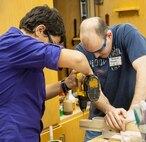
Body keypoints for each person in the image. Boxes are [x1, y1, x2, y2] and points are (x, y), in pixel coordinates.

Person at [0, 5, 94, 142]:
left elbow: (35, 93)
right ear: (40, 30)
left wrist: (66, 84)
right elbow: (78, 59)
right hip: (12, 135)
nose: (51, 49)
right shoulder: (15, 43)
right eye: (52, 44)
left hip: (24, 133)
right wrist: (91, 79)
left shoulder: (23, 54)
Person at [76, 17, 146, 141]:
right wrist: (109, 110)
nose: (96, 56)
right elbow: (93, 91)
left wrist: (133, 110)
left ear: (109, 35)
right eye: (91, 52)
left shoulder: (126, 34)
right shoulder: (81, 51)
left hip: (133, 118)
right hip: (100, 120)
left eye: (99, 50)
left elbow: (145, 70)